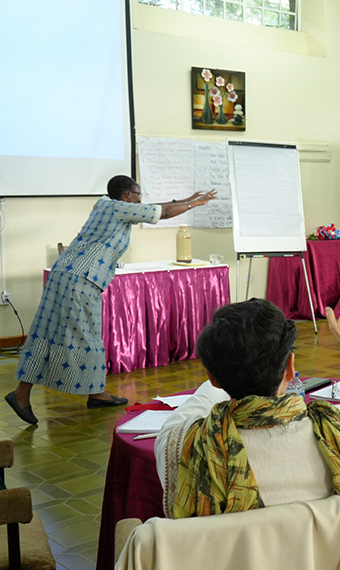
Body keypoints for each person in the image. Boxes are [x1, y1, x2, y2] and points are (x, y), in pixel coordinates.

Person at [155, 291, 340, 519]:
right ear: (290, 367)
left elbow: (189, 412)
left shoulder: (181, 445)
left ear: (212, 378)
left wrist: (224, 370)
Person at [6, 176, 217, 426]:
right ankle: (79, 394)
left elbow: (159, 207)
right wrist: (195, 204)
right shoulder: (117, 208)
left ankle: (80, 393)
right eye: (138, 194)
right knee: (87, 336)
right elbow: (163, 212)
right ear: (127, 194)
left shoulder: (108, 205)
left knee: (48, 333)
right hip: (80, 278)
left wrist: (186, 199)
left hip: (67, 274)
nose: (141, 199)